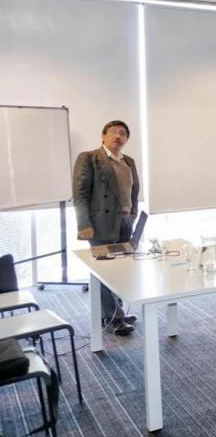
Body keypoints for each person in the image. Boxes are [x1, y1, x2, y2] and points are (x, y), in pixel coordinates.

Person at [73, 120, 140, 336]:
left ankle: (113, 312)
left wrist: (133, 214)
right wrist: (83, 224)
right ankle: (113, 318)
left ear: (127, 139)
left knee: (120, 269)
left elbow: (133, 192)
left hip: (124, 222)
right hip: (100, 224)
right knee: (105, 271)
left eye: (123, 133)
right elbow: (80, 194)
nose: (118, 136)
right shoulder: (89, 158)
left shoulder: (128, 161)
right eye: (113, 132)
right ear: (103, 136)